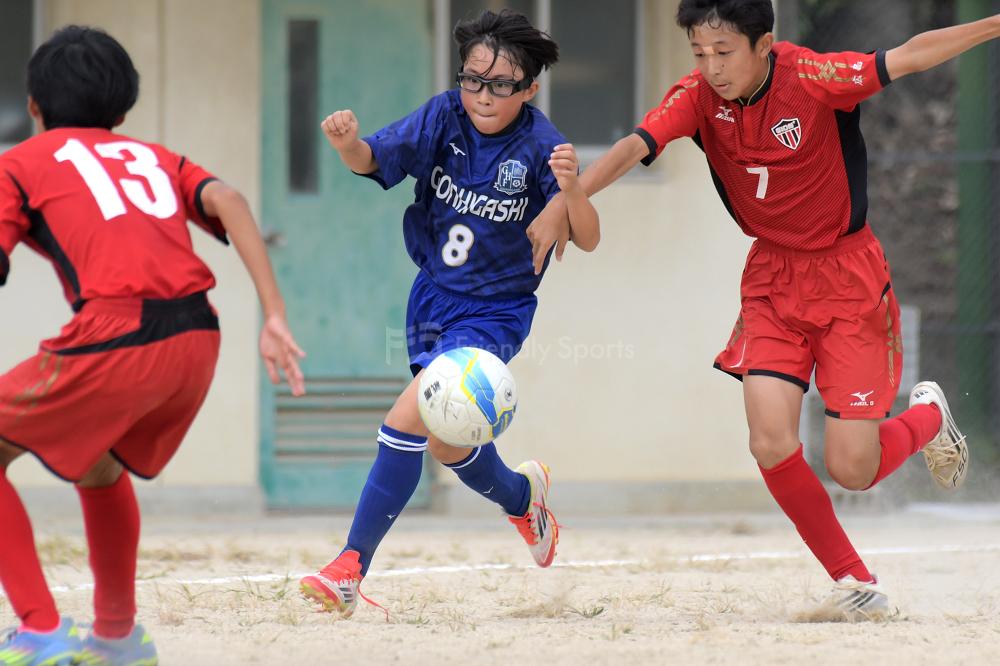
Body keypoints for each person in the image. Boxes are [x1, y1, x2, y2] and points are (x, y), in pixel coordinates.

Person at [526, 0, 998, 620]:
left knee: (852, 467)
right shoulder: (697, 98)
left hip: (849, 278)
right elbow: (634, 145)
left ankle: (930, 419)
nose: (712, 66)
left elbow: (907, 56)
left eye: (724, 53)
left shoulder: (813, 78)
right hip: (773, 279)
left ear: (765, 44)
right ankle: (853, 579)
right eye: (700, 53)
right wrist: (567, 199)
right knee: (770, 439)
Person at [0, 26, 305, 665]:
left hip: (118, 333)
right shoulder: (152, 156)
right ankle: (116, 639)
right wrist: (273, 314)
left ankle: (39, 632)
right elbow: (229, 198)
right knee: (99, 463)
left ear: (33, 106)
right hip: (196, 335)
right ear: (121, 112)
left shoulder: (18, 163)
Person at [299, 9, 599, 617]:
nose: (483, 95)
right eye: (473, 79)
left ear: (530, 90)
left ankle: (350, 567)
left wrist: (571, 189)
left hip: (494, 314)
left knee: (405, 418)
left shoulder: (542, 147)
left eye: (501, 85)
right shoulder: (444, 114)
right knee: (445, 442)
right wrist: (345, 143)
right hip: (432, 298)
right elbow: (373, 162)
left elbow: (588, 238)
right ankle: (522, 496)